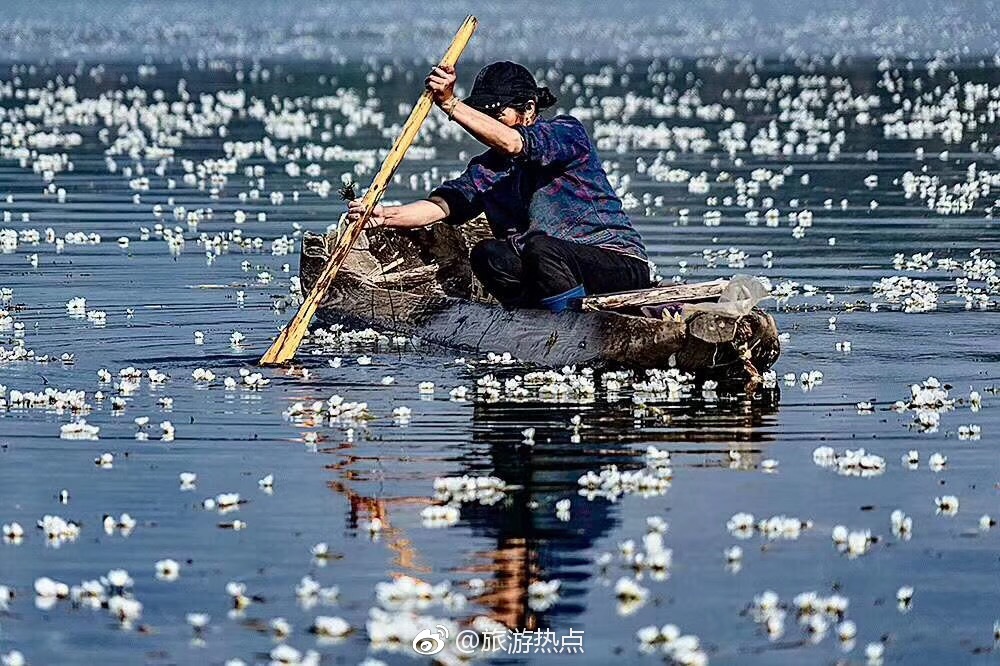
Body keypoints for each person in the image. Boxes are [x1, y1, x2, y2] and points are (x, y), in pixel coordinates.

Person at [346, 61, 651, 312]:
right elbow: (441, 206)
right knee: (487, 254)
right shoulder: (488, 168)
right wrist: (383, 215)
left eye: (496, 114)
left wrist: (450, 104)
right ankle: (536, 318)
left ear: (529, 109)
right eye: (483, 115)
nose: (487, 123)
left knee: (540, 247)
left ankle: (570, 322)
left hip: (617, 266)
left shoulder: (566, 134)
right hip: (548, 270)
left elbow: (515, 143)